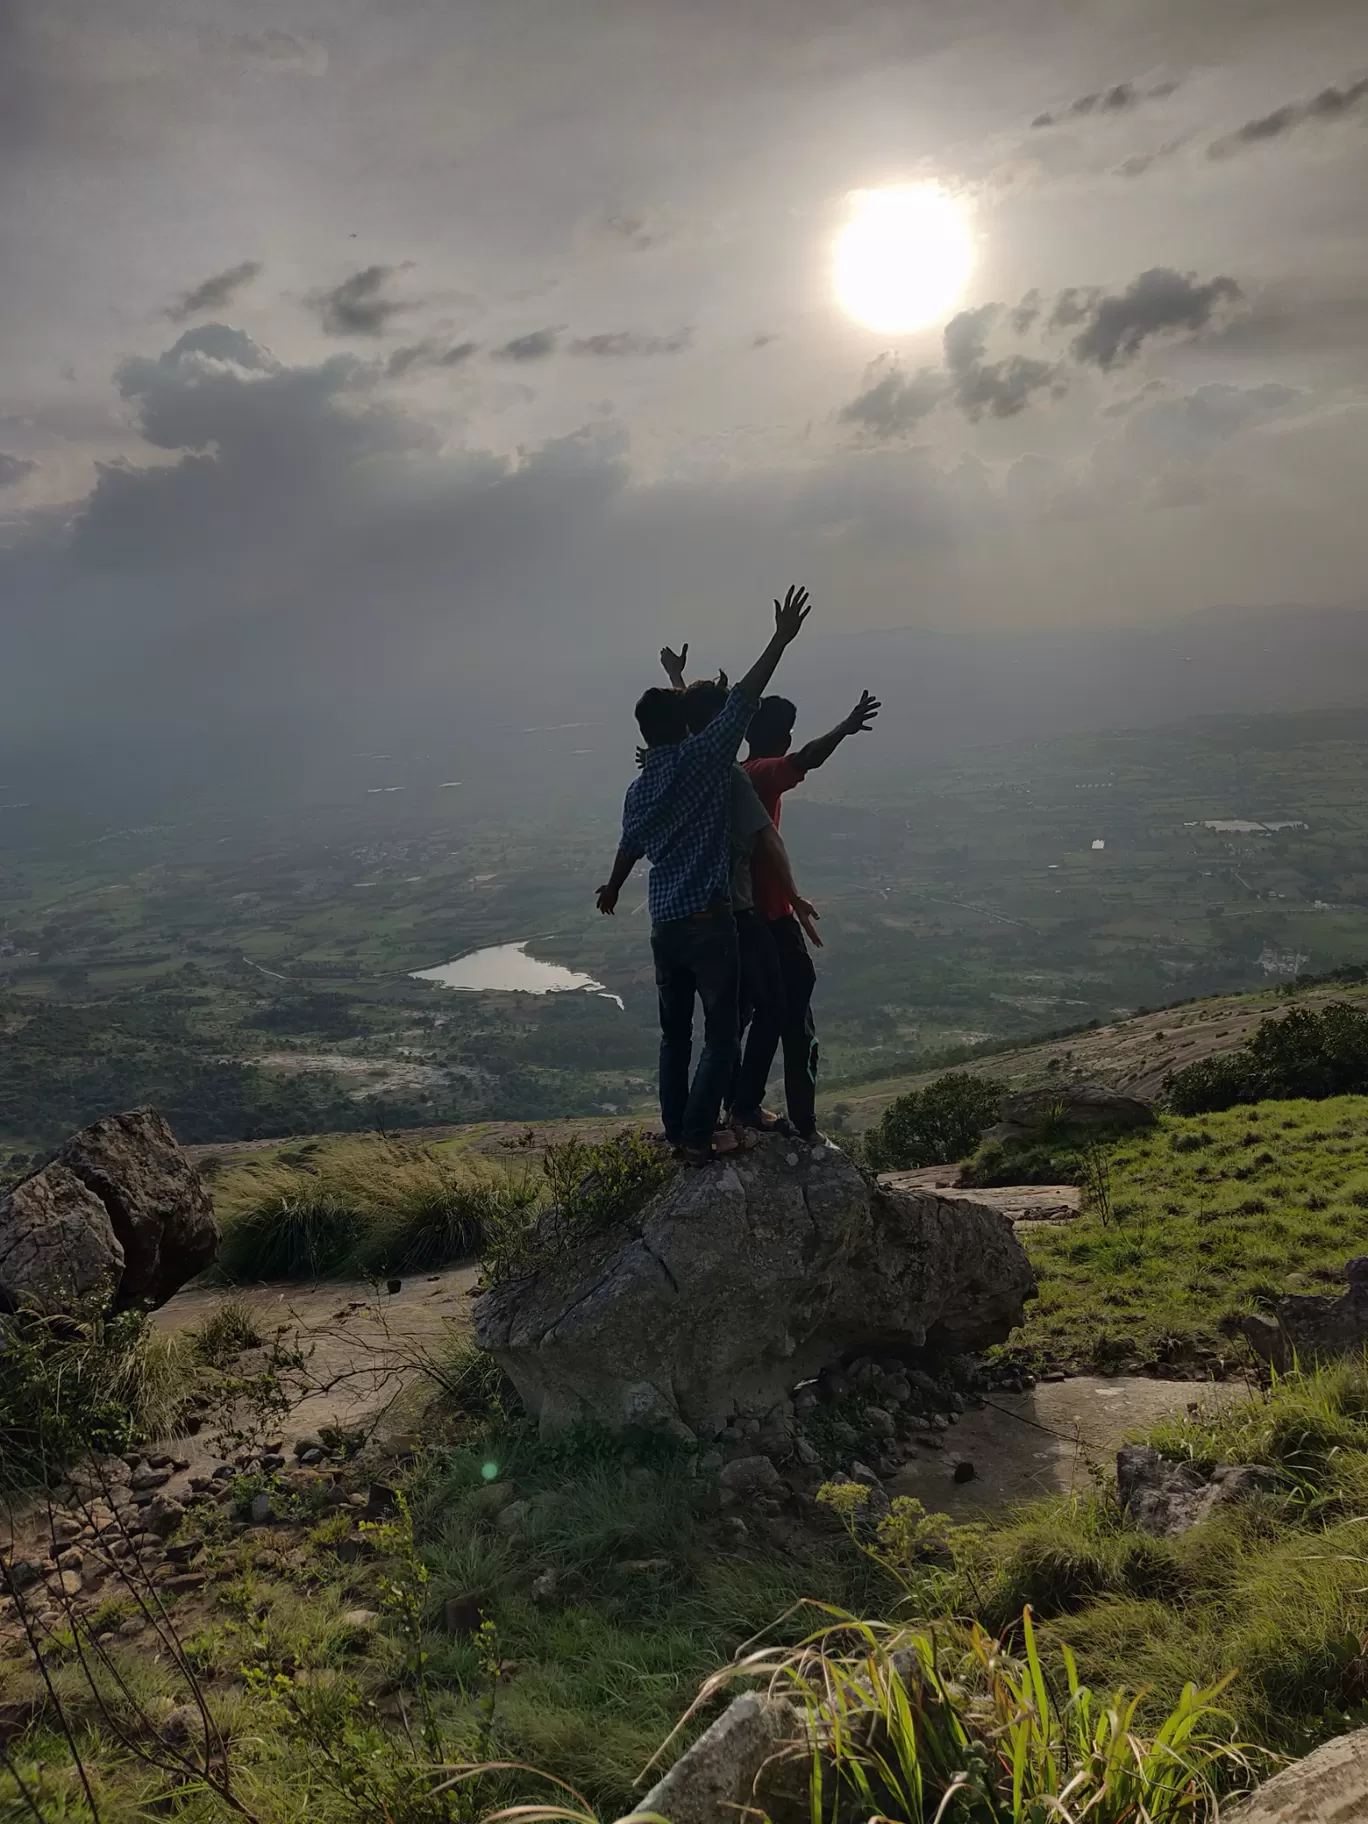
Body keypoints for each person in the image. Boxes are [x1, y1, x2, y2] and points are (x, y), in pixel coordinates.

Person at [595, 587, 812, 1165]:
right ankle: (697, 1135)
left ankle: (677, 1129)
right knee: (721, 1036)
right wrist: (780, 639)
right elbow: (743, 697)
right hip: (711, 921)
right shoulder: (707, 763)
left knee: (675, 1037)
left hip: (664, 926)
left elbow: (628, 845)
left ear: (646, 734)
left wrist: (613, 887)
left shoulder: (639, 787)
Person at [738, 686, 880, 1139]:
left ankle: (744, 1106)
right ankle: (795, 1119)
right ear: (784, 737)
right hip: (769, 918)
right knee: (790, 1014)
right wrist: (845, 727)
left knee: (754, 1013)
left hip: (747, 916)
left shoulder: (735, 772)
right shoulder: (761, 773)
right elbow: (806, 759)